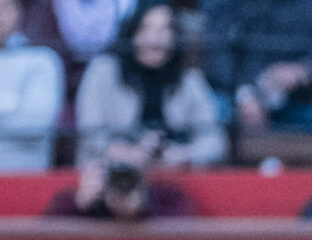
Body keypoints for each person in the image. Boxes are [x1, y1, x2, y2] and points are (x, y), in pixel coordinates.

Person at [81, 1, 217, 166]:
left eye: (163, 29)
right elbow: (90, 137)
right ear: (132, 33)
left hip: (173, 178)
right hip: (113, 177)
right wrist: (132, 154)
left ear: (175, 36)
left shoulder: (189, 79)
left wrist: (179, 154)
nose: (154, 39)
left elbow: (215, 142)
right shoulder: (102, 72)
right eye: (145, 28)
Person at [205, 0, 312, 139]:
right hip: (242, 95)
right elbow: (216, 48)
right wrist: (245, 94)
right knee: (211, 116)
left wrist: (305, 68)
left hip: (304, 100)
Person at [42, 129, 193, 216]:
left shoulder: (169, 200)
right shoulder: (77, 201)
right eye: (116, 170)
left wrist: (142, 209)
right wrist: (78, 205)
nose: (123, 179)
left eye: (129, 170)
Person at [0, 0, 65, 172]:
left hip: (24, 179)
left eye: (4, 7)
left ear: (18, 12)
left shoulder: (42, 60)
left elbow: (35, 126)